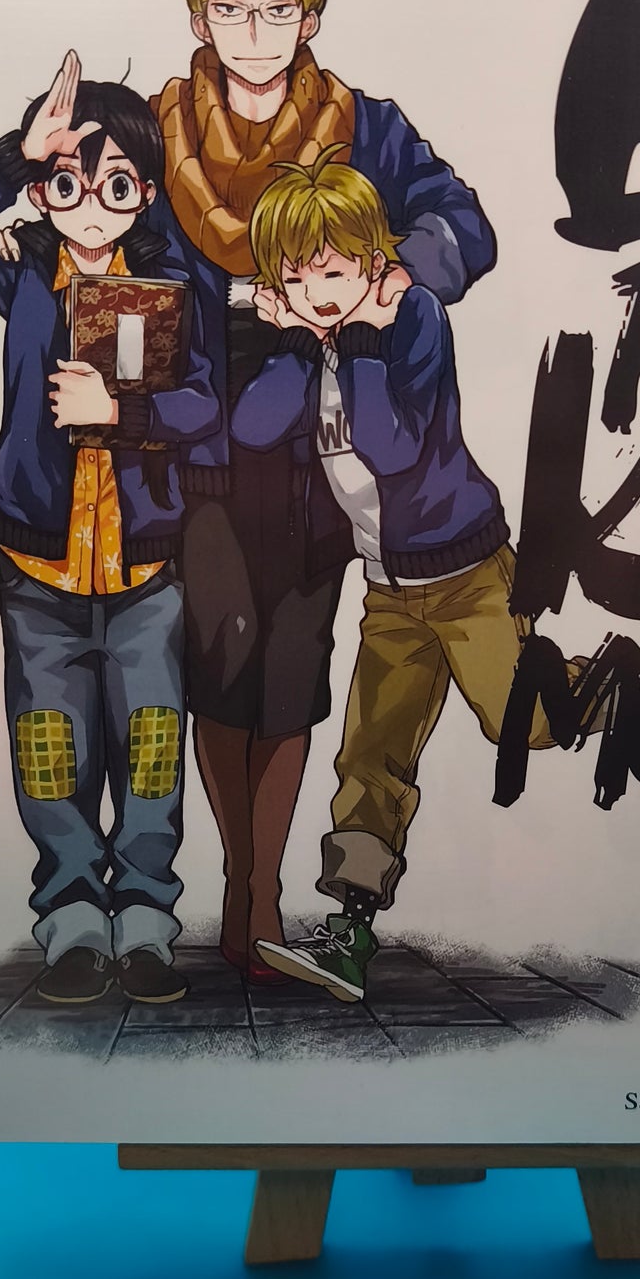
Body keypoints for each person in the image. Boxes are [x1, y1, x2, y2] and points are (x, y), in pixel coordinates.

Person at [148, 0, 495, 979]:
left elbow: (464, 226)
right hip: (206, 449)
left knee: (294, 673)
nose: (253, 33)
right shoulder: (154, 128)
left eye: (276, 9)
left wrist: (393, 277)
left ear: (309, 17)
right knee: (219, 669)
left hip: (322, 459)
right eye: (230, 10)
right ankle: (244, 893)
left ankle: (261, 901)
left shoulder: (366, 127)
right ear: (198, 18)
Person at [0, 52, 218, 1007]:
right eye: (67, 183)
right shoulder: (19, 268)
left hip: (145, 565)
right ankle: (72, 918)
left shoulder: (176, 281)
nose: (91, 206)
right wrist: (14, 156)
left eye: (117, 186)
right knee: (49, 746)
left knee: (152, 743)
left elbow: (207, 406)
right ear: (45, 191)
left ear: (146, 194)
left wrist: (121, 413)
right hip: (38, 561)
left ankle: (146, 917)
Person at [232, 151, 552, 1002]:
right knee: (371, 759)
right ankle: (350, 928)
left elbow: (394, 447)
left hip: (466, 574)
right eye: (296, 278)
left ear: (375, 263)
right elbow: (257, 426)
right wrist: (296, 343)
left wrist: (363, 342)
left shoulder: (412, 320)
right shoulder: (313, 339)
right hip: (390, 592)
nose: (317, 293)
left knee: (524, 721)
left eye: (334, 273)